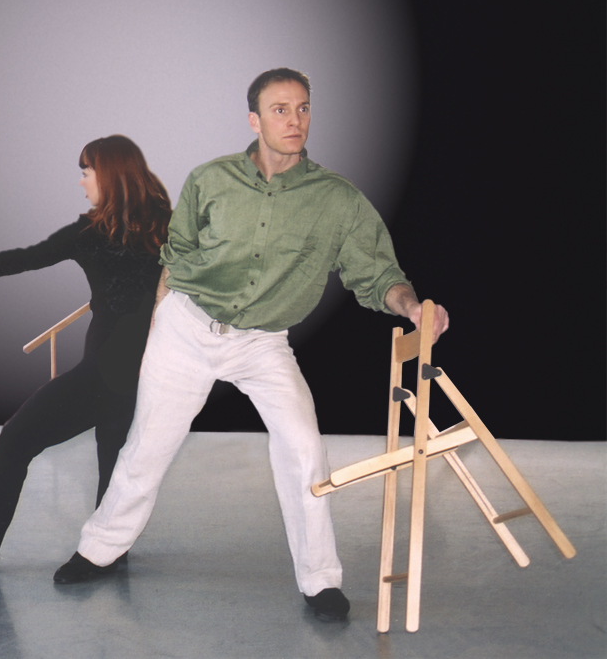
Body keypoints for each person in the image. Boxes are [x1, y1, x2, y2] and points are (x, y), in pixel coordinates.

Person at [52, 69, 450, 623]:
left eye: (303, 108)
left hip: (262, 342)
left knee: (304, 450)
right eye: (280, 109)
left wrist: (412, 306)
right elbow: (175, 257)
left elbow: (377, 272)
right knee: (146, 447)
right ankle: (98, 549)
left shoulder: (337, 200)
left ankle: (320, 581)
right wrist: (156, 327)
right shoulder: (209, 180)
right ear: (254, 120)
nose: (295, 120)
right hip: (187, 327)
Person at [0, 135, 172, 574]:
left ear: (108, 174)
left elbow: (30, 257)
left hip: (107, 371)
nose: (82, 182)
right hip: (148, 369)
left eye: (86, 172)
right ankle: (111, 550)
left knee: (16, 439)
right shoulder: (167, 226)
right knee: (114, 454)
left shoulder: (93, 232)